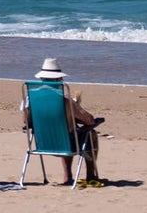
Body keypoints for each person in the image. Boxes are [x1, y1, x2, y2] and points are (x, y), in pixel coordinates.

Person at [22, 57, 102, 185]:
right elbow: (89, 120)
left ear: (41, 78)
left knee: (65, 130)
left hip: (42, 143)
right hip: (65, 144)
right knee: (89, 134)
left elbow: (26, 121)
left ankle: (67, 176)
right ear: (58, 79)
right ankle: (91, 175)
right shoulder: (64, 100)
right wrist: (75, 108)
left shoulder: (30, 98)